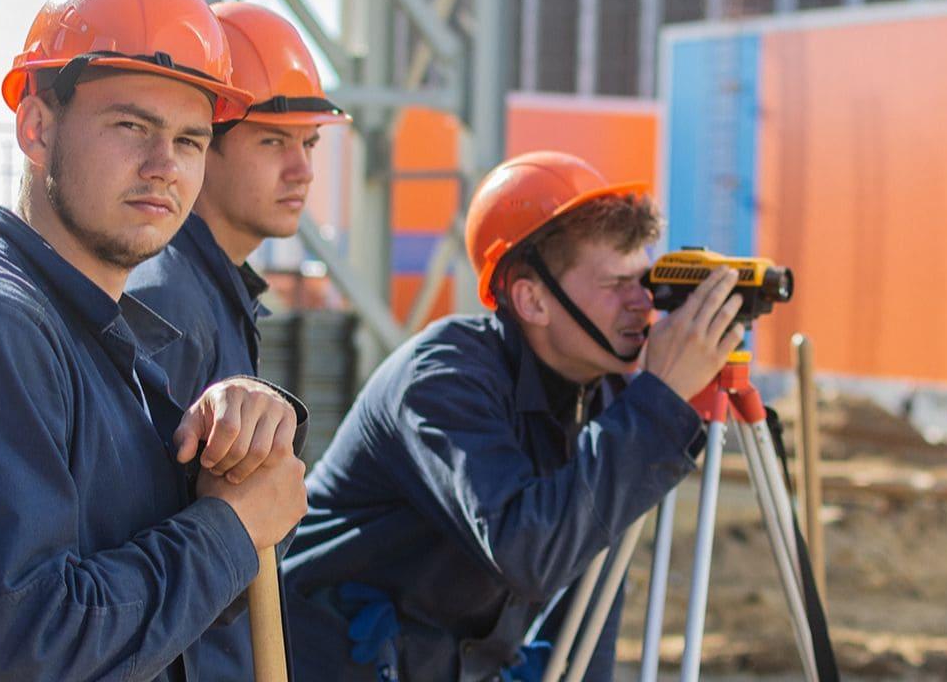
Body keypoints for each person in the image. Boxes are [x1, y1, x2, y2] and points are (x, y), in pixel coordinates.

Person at [0, 0, 309, 680]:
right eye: (130, 126)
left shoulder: (100, 343)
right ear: (35, 126)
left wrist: (236, 437)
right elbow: (23, 654)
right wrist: (232, 527)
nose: (164, 167)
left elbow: (157, 601)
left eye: (190, 140)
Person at [281, 151, 745, 680]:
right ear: (531, 299)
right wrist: (659, 401)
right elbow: (528, 550)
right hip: (329, 659)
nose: (644, 303)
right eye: (617, 284)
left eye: (645, 279)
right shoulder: (443, 379)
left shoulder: (601, 392)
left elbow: (591, 589)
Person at [126, 0, 349, 677]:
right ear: (203, 142)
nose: (302, 170)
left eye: (309, 144)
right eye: (273, 142)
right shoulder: (166, 296)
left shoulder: (213, 288)